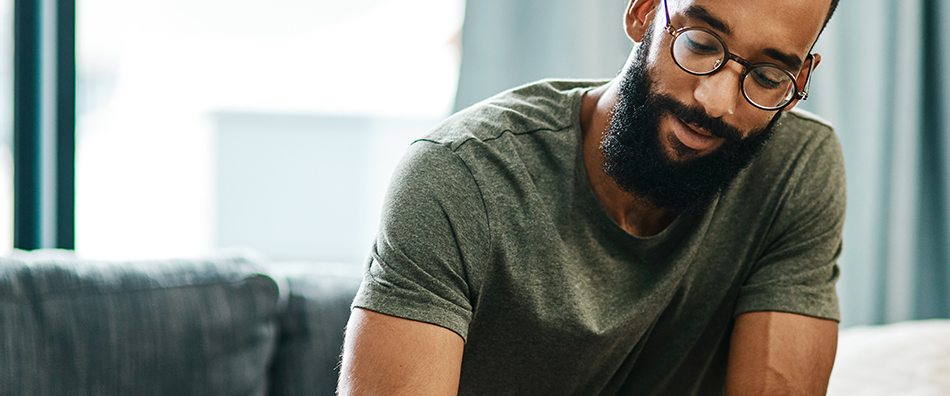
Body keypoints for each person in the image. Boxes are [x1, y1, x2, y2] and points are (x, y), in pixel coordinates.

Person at [339, 0, 843, 394]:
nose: (715, 102)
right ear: (644, 11)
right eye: (699, 43)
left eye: (768, 77)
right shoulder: (460, 175)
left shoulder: (797, 170)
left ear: (799, 80)